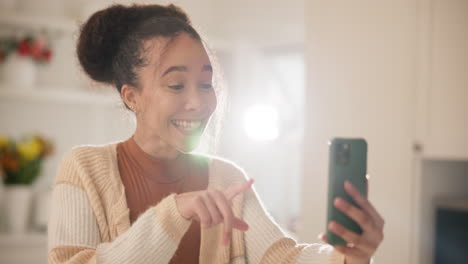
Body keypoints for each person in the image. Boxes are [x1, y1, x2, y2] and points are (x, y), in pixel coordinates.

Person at [47, 3, 384, 264]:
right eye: (176, 84)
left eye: (206, 84)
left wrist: (349, 256)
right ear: (131, 96)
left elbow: (283, 257)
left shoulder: (226, 178)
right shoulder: (84, 168)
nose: (198, 102)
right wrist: (174, 213)